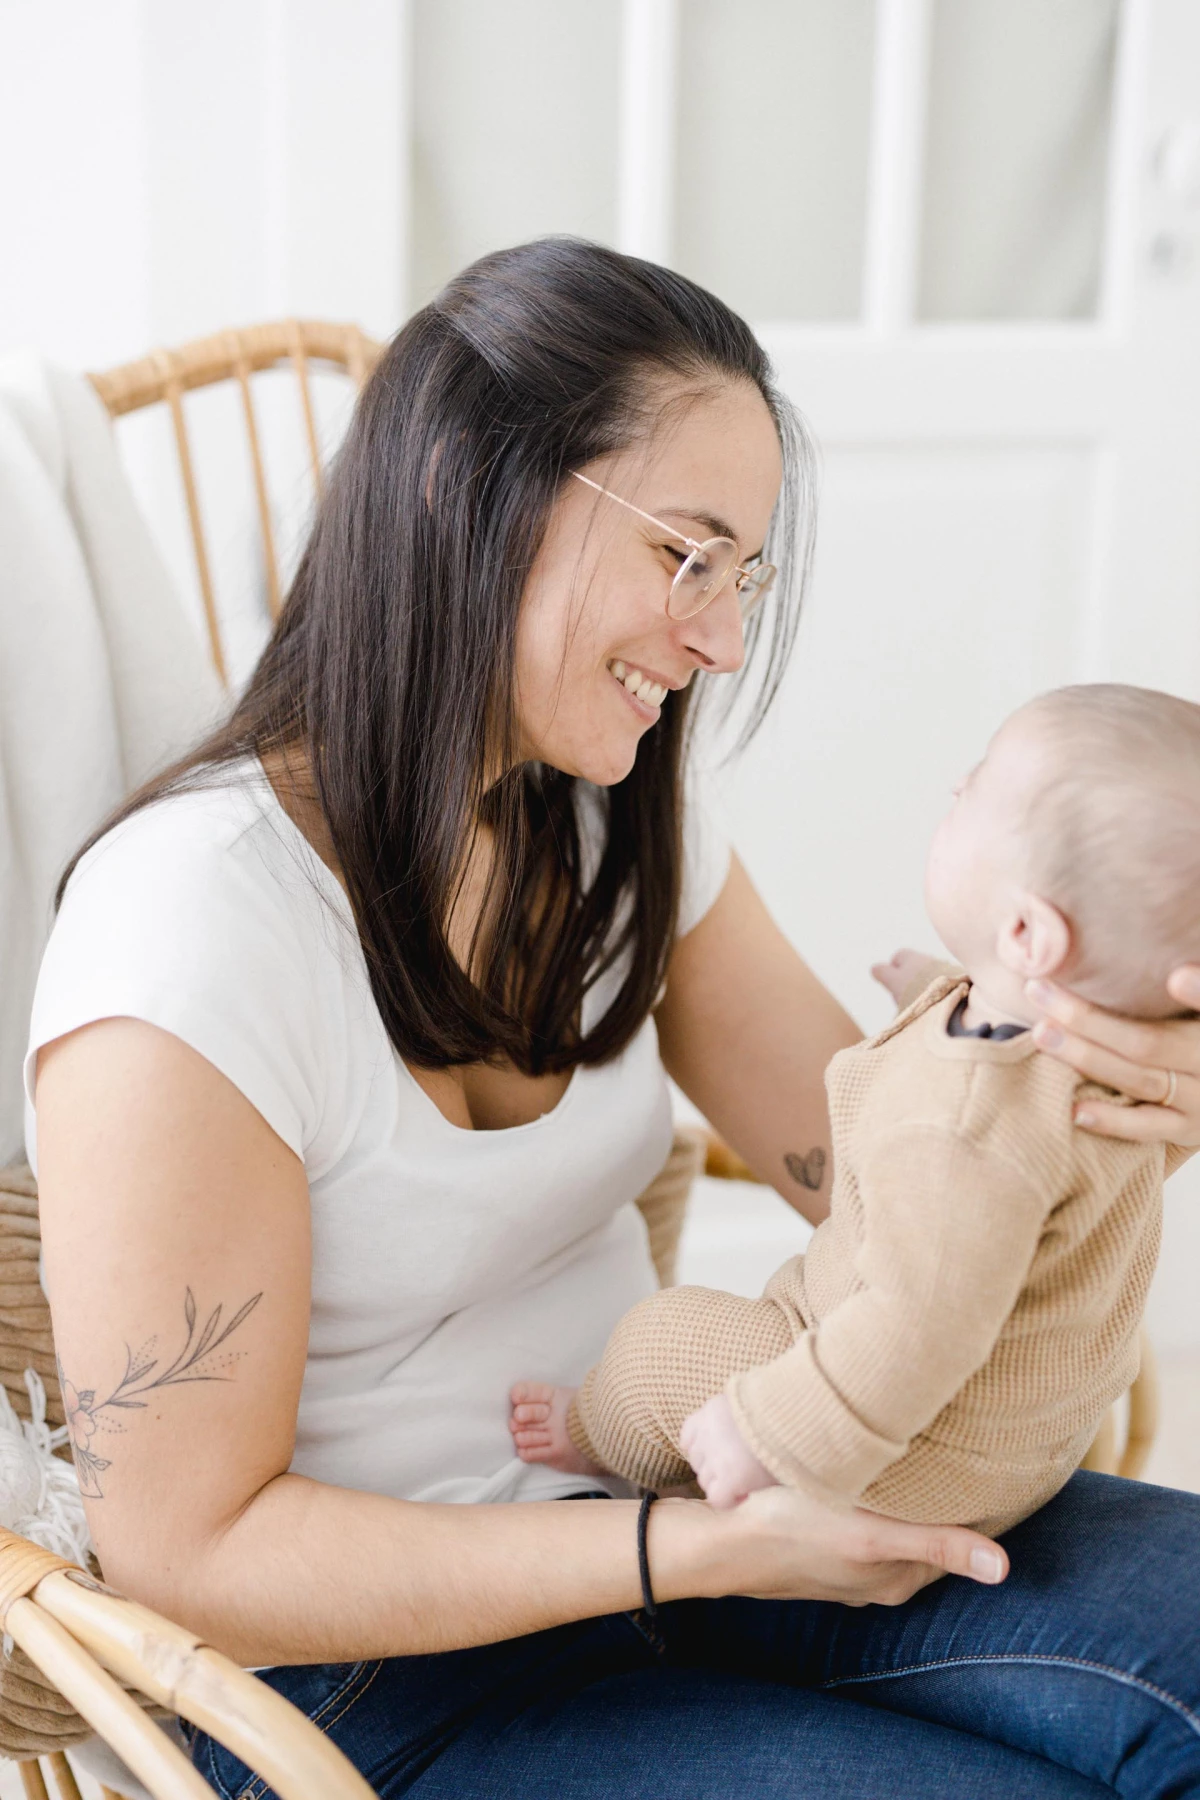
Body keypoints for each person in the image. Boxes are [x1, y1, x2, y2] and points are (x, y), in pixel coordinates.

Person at [24, 240, 1200, 1799]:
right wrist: (691, 1551)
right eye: (685, 556)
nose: (721, 642)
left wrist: (1095, 1089)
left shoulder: (605, 816)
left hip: (685, 1489)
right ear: (463, 494)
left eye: (742, 576)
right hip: (366, 1680)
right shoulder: (189, 929)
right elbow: (188, 1555)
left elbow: (877, 1177)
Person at [510, 684, 1198, 1538]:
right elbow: (1023, 1097)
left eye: (976, 790)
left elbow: (913, 1330)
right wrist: (925, 987)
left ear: (1026, 936)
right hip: (1026, 1433)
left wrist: (769, 1436)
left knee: (659, 1344)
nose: (955, 787)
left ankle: (592, 1435)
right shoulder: (1101, 1064)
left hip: (917, 1445)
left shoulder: (961, 1134)